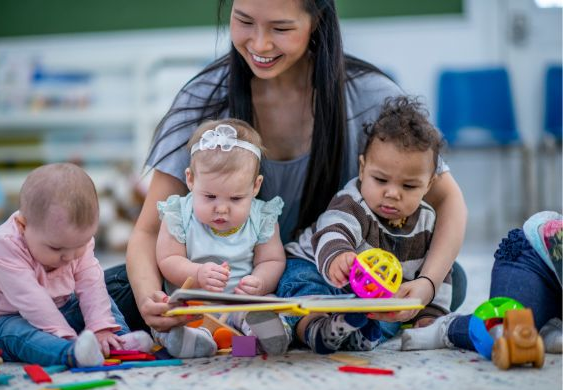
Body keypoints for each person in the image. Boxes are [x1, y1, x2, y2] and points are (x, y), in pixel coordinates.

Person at [105, 0, 467, 336]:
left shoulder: (369, 96)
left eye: (280, 29)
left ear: (317, 21)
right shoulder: (203, 99)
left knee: (449, 278)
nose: (260, 45)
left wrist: (428, 284)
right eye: (244, 21)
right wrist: (149, 296)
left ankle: (304, 320)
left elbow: (448, 199)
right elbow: (149, 231)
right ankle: (306, 322)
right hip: (227, 284)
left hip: (324, 271)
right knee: (112, 291)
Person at [283, 96, 451, 354]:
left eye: (408, 186)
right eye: (381, 180)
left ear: (429, 185)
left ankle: (356, 332)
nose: (392, 193)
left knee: (393, 314)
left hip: (369, 296)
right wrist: (338, 255)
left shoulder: (428, 222)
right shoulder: (353, 202)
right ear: (363, 169)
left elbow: (438, 275)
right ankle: (315, 329)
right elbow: (333, 229)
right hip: (318, 269)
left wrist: (427, 315)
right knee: (302, 286)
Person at [0, 163, 153, 367]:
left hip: (58, 308)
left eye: (80, 245)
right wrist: (66, 336)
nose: (70, 257)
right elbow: (33, 300)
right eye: (56, 249)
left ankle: (118, 341)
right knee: (20, 333)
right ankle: (71, 353)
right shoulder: (4, 245)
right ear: (23, 226)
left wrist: (100, 328)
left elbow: (91, 284)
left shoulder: (73, 243)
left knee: (101, 297)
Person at [151, 118, 290, 357]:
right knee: (172, 314)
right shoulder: (179, 214)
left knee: (263, 306)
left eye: (236, 199)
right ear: (191, 180)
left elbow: (272, 260)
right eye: (210, 196)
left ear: (255, 186)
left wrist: (259, 282)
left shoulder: (261, 216)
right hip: (196, 304)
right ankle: (195, 341)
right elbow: (168, 258)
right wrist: (197, 273)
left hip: (240, 303)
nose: (222, 209)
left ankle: (262, 337)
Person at [401, 211, 562, 354]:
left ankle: (546, 325)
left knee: (521, 332)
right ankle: (447, 328)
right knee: (504, 329)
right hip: (534, 258)